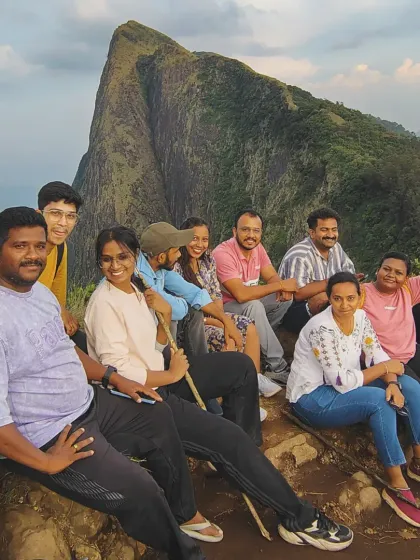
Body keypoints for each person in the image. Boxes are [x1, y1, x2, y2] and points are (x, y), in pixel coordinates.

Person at [0, 207, 354, 558]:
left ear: (136, 257)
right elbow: (120, 366)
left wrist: (161, 324)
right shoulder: (103, 304)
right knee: (211, 445)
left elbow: (80, 353)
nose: (115, 266)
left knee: (236, 382)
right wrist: (160, 374)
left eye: (39, 246)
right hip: (131, 397)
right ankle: (282, 513)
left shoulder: (121, 289)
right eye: (20, 246)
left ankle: (242, 467)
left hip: (132, 390)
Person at [287, 271, 420, 527]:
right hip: (312, 398)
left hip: (345, 385)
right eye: (337, 299)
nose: (344, 305)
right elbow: (341, 382)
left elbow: (375, 351)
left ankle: (417, 462)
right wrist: (385, 372)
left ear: (360, 299)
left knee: (411, 388)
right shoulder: (320, 329)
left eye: (350, 298)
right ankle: (396, 484)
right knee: (379, 401)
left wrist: (392, 381)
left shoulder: (360, 317)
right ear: (329, 298)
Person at [175, 217, 281, 399]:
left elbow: (216, 297)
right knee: (229, 338)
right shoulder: (176, 267)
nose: (199, 244)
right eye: (194, 238)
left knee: (249, 327)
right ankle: (232, 395)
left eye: (204, 239)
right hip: (192, 326)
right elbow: (185, 313)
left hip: (216, 317)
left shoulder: (207, 261)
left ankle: (253, 381)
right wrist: (219, 324)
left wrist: (223, 322)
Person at [213, 208, 297, 384]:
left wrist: (283, 289)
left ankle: (261, 344)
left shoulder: (257, 249)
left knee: (284, 300)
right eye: (245, 230)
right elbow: (241, 295)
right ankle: (277, 366)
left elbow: (271, 276)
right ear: (234, 231)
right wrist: (282, 284)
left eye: (256, 230)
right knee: (254, 306)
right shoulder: (223, 254)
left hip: (249, 303)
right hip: (225, 307)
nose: (250, 235)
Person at [137, 222, 243, 359]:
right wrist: (185, 301)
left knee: (193, 311)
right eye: (176, 251)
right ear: (161, 257)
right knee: (174, 318)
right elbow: (176, 310)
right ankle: (170, 370)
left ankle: (200, 364)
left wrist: (225, 320)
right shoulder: (140, 277)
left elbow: (194, 292)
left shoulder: (157, 267)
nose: (180, 255)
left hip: (155, 332)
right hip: (145, 339)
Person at [279, 208, 356, 334]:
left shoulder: (336, 248)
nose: (330, 235)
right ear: (312, 233)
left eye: (334, 230)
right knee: (324, 299)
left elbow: (349, 273)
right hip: (294, 311)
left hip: (327, 302)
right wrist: (331, 283)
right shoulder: (300, 255)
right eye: (324, 230)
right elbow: (297, 294)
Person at [37, 181, 87, 352]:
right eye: (55, 214)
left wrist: (62, 311)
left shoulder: (59, 248)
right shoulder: (17, 254)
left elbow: (56, 297)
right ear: (39, 214)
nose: (63, 223)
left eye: (71, 216)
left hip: (46, 327)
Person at [360, 252, 420, 382]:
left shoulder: (408, 289)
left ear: (406, 278)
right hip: (380, 362)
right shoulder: (361, 293)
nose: (391, 275)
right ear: (378, 270)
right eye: (386, 269)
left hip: (411, 355)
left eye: (398, 273)